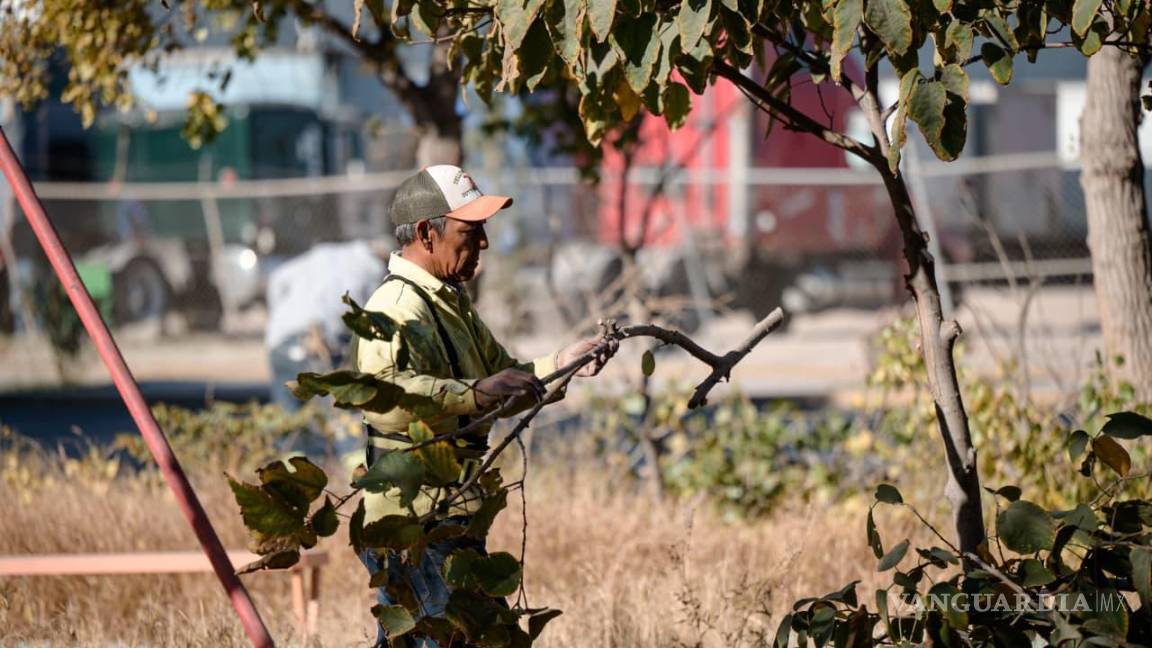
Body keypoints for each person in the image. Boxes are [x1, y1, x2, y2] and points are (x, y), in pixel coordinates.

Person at [355, 165, 613, 647]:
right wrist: (473, 395)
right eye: (470, 232)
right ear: (428, 233)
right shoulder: (396, 307)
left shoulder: (450, 301)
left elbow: (502, 377)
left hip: (445, 513)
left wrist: (563, 364)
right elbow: (383, 398)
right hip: (415, 522)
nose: (484, 245)